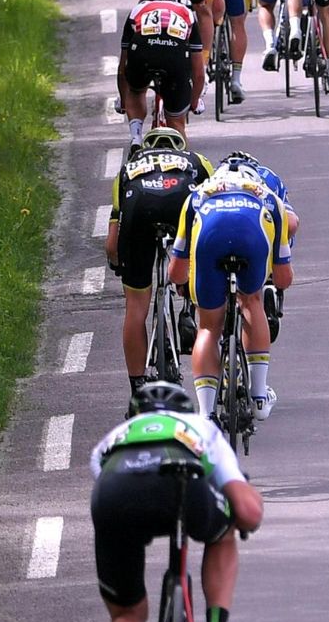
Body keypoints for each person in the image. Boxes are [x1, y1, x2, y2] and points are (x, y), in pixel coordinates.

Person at [90, 381, 264, 622]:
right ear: (183, 411)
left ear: (134, 416)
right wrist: (243, 512)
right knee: (223, 534)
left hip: (116, 491)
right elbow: (248, 511)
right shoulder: (199, 427)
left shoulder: (111, 440)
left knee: (125, 613)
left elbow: (111, 491)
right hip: (184, 486)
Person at [168, 164, 292, 421]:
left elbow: (176, 273)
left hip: (209, 236)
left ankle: (206, 415)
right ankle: (259, 397)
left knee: (208, 327)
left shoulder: (197, 195)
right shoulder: (270, 198)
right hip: (253, 234)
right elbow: (283, 279)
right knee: (253, 301)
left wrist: (188, 286)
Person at [107, 128, 213, 397]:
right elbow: (213, 211)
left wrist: (117, 262)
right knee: (202, 269)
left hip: (139, 209)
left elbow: (112, 238)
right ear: (180, 147)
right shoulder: (197, 160)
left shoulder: (128, 168)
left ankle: (137, 388)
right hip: (181, 205)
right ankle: (189, 309)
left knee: (135, 306)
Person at [138, 0, 220, 126]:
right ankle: (203, 64)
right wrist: (214, 15)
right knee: (203, 10)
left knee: (146, 6)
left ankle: (142, 52)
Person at [219, 150, 297, 341]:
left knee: (209, 325)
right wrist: (279, 260)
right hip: (259, 228)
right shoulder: (269, 176)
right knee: (252, 299)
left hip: (216, 229)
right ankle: (268, 280)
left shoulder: (215, 175)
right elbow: (291, 223)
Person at [118, 0, 204, 144]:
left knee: (136, 90)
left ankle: (136, 137)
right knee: (177, 122)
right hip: (175, 58)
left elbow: (123, 68)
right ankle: (179, 150)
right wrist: (194, 102)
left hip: (142, 55)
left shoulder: (137, 10)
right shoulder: (186, 12)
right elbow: (199, 72)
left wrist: (123, 100)